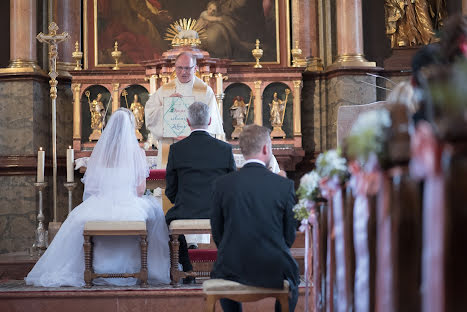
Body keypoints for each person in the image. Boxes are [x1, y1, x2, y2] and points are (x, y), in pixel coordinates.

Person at [25, 108, 170, 287]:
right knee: (154, 216)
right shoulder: (137, 153)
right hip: (130, 205)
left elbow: (92, 188)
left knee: (81, 219)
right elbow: (140, 191)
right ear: (131, 127)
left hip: (100, 203)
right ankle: (143, 268)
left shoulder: (101, 153)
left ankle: (94, 268)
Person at [210, 124, 300, 312]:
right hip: (274, 266)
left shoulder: (222, 185)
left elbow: (217, 231)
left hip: (231, 266)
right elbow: (289, 234)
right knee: (293, 278)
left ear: (242, 150)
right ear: (266, 148)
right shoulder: (284, 186)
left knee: (223, 271)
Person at [165, 101, 236, 283]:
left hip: (185, 209)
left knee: (168, 220)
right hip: (217, 211)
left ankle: (186, 267)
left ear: (188, 122)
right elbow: (232, 186)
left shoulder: (176, 149)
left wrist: (182, 201)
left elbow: (170, 189)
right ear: (210, 120)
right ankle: (222, 267)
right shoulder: (225, 149)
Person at [145, 52, 225, 140]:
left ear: (195, 69)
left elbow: (212, 122)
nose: (183, 72)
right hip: (170, 143)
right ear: (175, 68)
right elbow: (150, 115)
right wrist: (165, 106)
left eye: (187, 68)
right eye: (179, 68)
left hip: (196, 143)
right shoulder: (164, 91)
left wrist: (194, 134)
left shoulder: (205, 91)